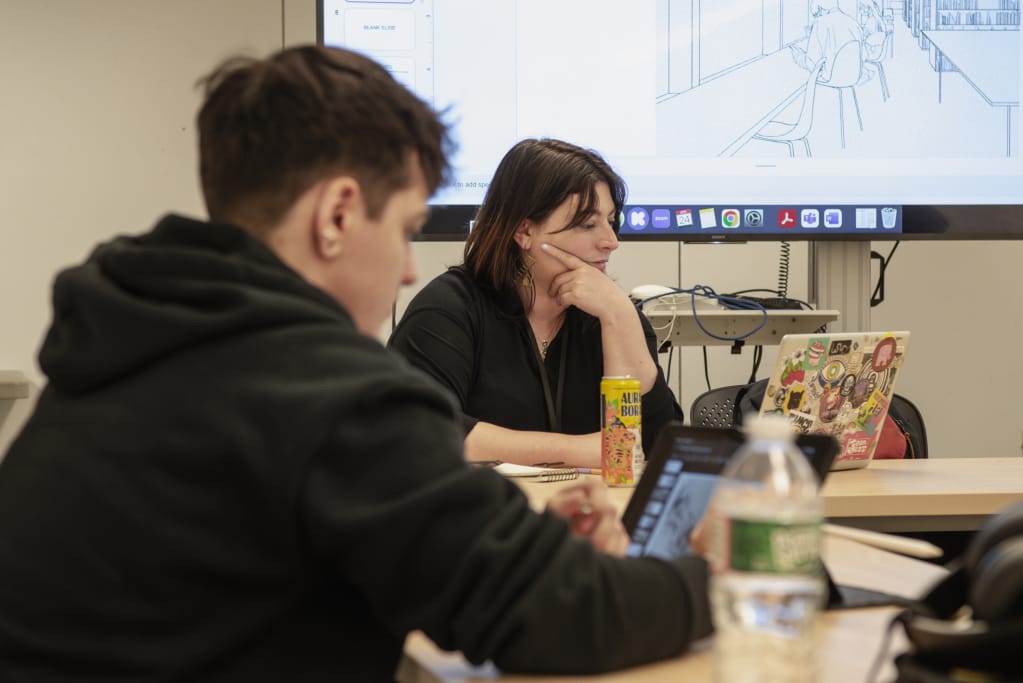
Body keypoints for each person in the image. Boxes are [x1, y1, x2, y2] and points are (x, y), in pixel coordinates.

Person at [0, 46, 711, 681]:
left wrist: (503, 541)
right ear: (337, 215)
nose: (407, 271)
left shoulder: (119, 351)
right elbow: (565, 615)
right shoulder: (325, 394)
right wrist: (724, 571)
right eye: (404, 230)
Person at [388, 138, 683, 468]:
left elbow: (656, 447)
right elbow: (424, 430)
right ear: (524, 231)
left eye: (611, 221)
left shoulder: (610, 312)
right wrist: (582, 450)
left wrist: (620, 317)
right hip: (482, 501)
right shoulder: (449, 309)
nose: (611, 241)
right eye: (587, 224)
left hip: (593, 501)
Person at [790, 0, 862, 77]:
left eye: (817, 15)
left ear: (820, 8)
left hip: (830, 78)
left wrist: (799, 57)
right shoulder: (854, 23)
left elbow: (812, 64)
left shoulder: (820, 22)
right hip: (853, 77)